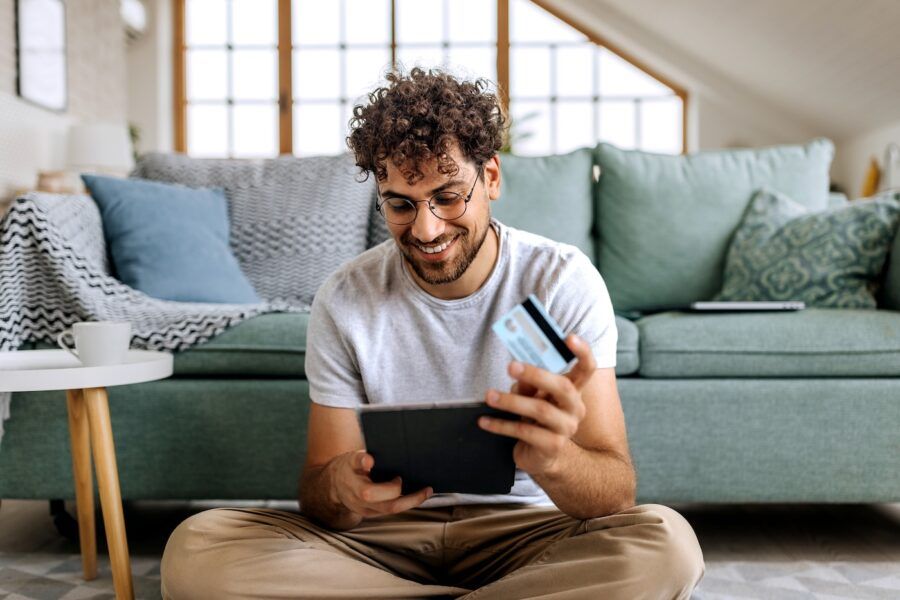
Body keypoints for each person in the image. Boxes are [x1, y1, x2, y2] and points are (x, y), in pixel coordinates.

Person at [161, 67, 704, 599]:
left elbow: (614, 493)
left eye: (448, 197)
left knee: (667, 545)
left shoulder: (561, 280)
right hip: (383, 540)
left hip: (526, 535)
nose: (425, 229)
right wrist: (340, 487)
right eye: (400, 203)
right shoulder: (346, 297)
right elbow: (319, 493)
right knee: (198, 549)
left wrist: (557, 460)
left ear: (491, 176)